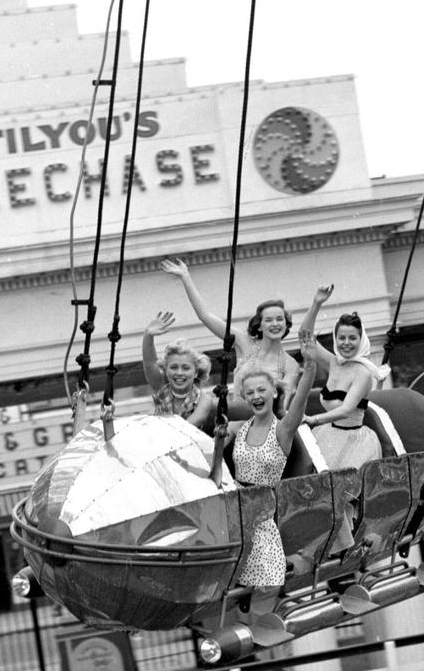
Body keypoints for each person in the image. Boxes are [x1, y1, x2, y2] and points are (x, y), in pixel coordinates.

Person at [227, 333, 319, 626]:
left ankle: (263, 620)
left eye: (262, 390)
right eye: (250, 392)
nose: (256, 396)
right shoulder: (238, 428)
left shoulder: (282, 430)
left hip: (263, 511)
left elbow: (301, 401)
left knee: (265, 576)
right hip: (233, 508)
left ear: (274, 392)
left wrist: (311, 367)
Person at [160, 257, 302, 399]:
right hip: (238, 417)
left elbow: (284, 404)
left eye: (279, 319)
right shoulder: (244, 342)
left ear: (286, 324)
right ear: (259, 326)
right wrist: (186, 277)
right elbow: (205, 316)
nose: (275, 324)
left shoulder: (290, 364)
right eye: (269, 320)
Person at [299, 284, 387, 471]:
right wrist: (316, 303)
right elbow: (305, 339)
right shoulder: (333, 362)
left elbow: (346, 410)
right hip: (327, 435)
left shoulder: (363, 373)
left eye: (352, 338)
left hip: (355, 443)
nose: (346, 343)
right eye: (342, 338)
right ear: (335, 339)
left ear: (361, 340)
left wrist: (314, 420)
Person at [141, 310, 217, 430]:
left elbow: (188, 427)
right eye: (173, 367)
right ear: (166, 370)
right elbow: (149, 363)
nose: (179, 373)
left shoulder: (204, 399)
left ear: (196, 372)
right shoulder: (162, 387)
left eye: (186, 368)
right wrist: (148, 336)